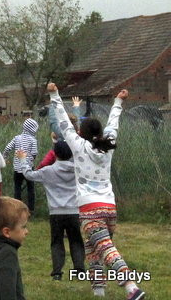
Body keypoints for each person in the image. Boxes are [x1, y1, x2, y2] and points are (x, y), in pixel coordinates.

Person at [48, 82, 146, 299]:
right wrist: (118, 102)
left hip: (90, 209)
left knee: (106, 250)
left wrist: (55, 94)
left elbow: (64, 121)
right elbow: (114, 123)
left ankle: (131, 287)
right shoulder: (107, 144)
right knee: (93, 249)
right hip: (109, 208)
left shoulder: (78, 145)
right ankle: (98, 291)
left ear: (80, 132)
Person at [19, 140, 85, 281]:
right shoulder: (78, 169)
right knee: (76, 241)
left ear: (55, 154)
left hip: (56, 212)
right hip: (74, 211)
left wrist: (23, 160)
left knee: (56, 241)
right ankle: (79, 270)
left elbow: (29, 175)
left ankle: (57, 272)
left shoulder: (48, 171)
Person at [2, 118, 39, 212]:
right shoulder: (33, 140)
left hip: (17, 167)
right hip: (28, 168)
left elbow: (7, 148)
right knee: (30, 189)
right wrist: (31, 161)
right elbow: (34, 153)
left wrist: (5, 158)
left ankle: (17, 208)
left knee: (17, 188)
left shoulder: (17, 138)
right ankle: (31, 209)